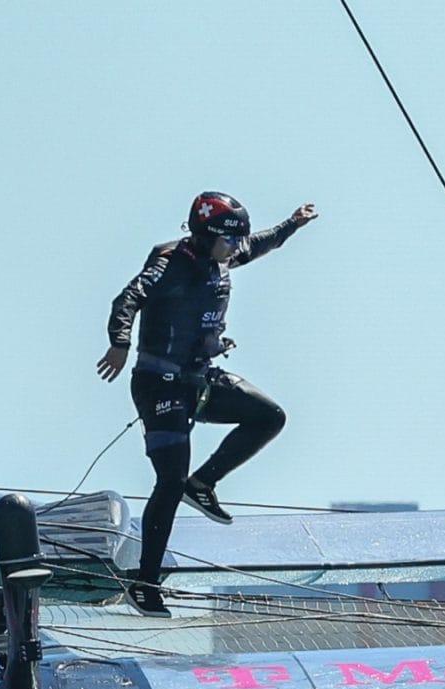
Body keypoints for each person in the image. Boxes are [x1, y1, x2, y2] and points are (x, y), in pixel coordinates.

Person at [98, 191, 318, 616]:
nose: (236, 249)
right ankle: (144, 583)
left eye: (237, 242)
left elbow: (261, 243)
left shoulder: (225, 255)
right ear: (203, 236)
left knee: (268, 417)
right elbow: (127, 299)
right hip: (159, 385)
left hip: (199, 380)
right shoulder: (167, 262)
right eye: (229, 241)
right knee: (168, 479)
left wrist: (293, 223)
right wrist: (119, 343)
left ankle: (202, 485)